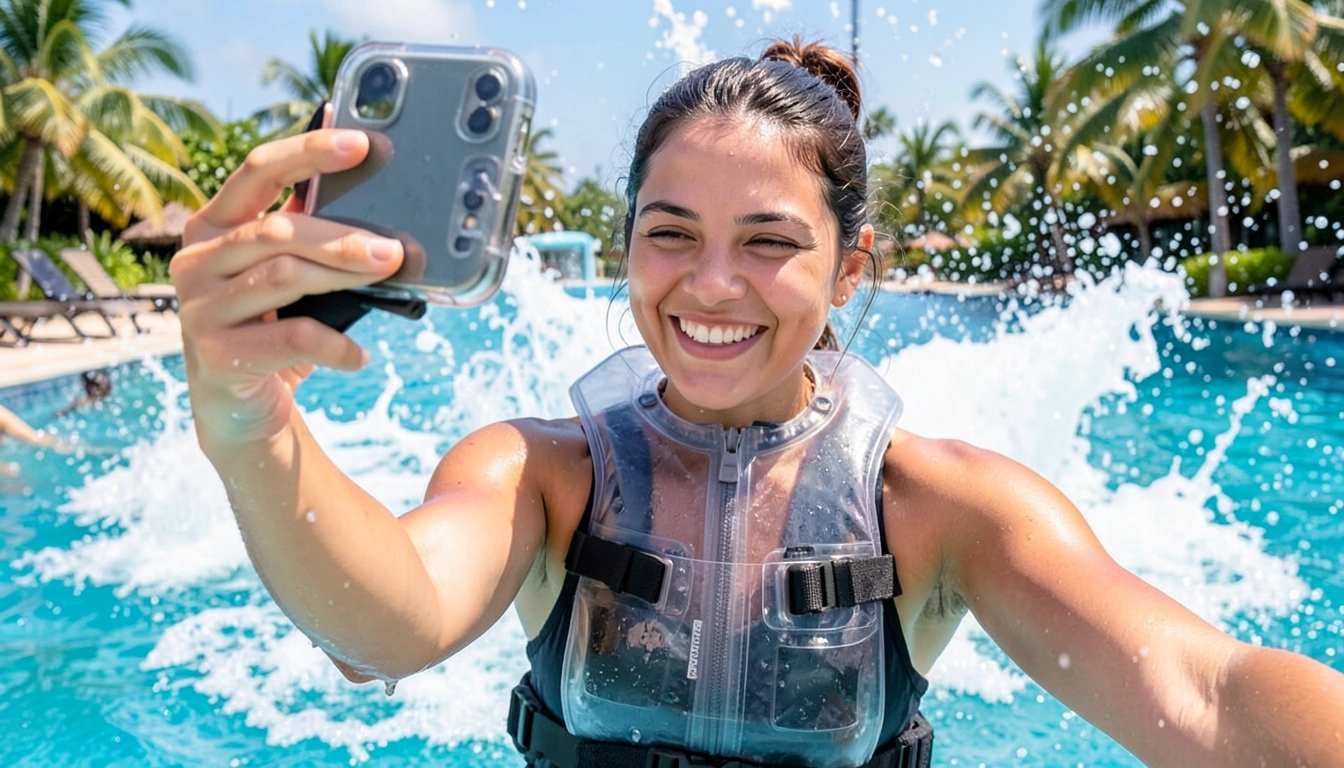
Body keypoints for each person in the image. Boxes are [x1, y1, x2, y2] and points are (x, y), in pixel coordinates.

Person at [171, 38, 1343, 768]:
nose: (712, 284)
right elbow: (386, 631)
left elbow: (1208, 692)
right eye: (669, 234)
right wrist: (247, 424)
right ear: (627, 247)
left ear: (847, 269)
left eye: (769, 244)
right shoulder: (542, 478)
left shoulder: (942, 512)